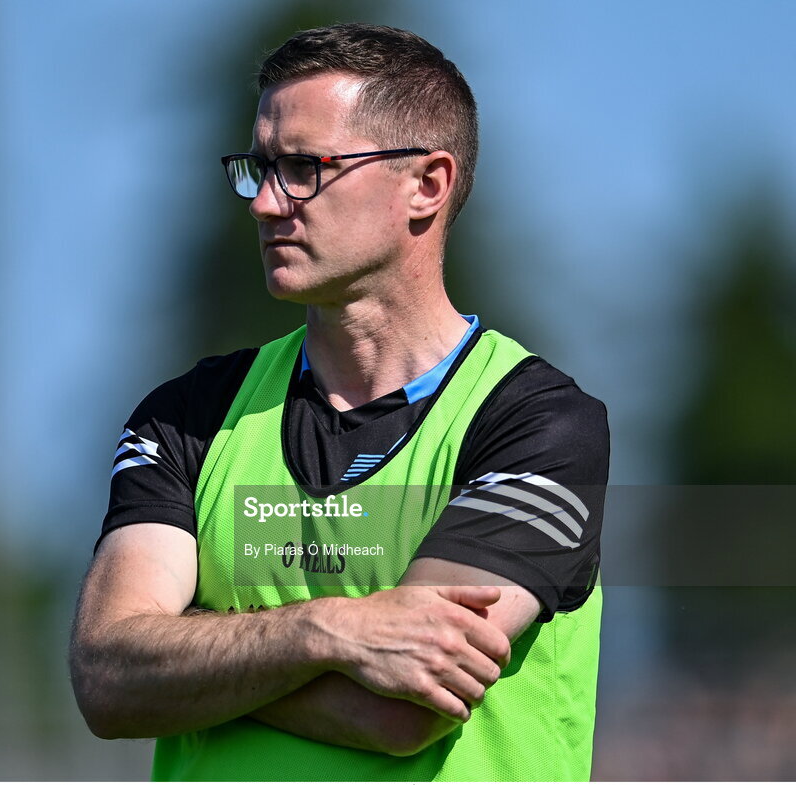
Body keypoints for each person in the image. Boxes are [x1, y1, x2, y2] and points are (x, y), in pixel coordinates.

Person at [70, 22, 609, 781]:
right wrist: (333, 630)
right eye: (258, 168)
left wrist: (189, 661)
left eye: (302, 168)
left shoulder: (539, 423)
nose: (263, 202)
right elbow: (106, 677)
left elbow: (403, 712)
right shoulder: (187, 413)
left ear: (427, 184)